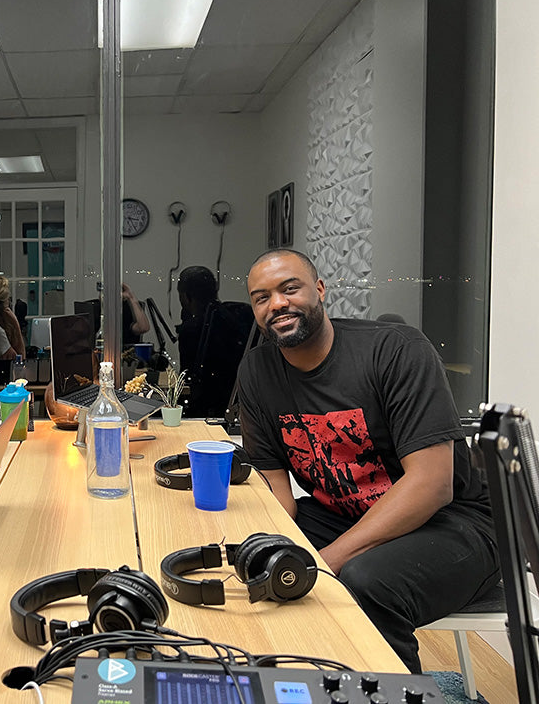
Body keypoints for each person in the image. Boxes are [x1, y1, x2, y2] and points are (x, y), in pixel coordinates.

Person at [236, 248, 498, 673]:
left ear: (319, 290)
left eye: (289, 289)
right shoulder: (257, 371)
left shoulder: (395, 350)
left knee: (364, 581)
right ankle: (299, 680)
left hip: (455, 522)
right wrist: (269, 550)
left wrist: (325, 562)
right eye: (261, 297)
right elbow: (277, 496)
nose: (277, 304)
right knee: (255, 554)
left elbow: (433, 484)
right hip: (344, 514)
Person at [176, 266, 253, 417]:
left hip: (205, 409)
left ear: (186, 297)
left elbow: (186, 379)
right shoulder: (241, 314)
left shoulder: (192, 329)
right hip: (242, 406)